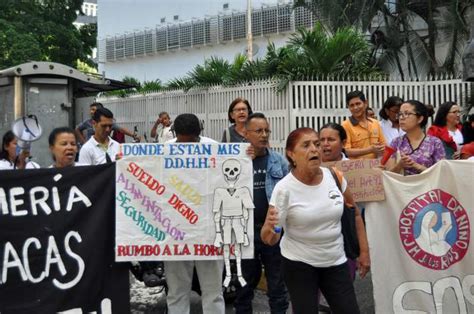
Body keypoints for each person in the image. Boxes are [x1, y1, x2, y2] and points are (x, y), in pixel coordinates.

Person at [260, 127, 370, 314]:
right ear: (291, 154)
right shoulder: (283, 189)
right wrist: (273, 227)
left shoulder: (334, 176)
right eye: (306, 145)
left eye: (317, 144)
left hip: (335, 261)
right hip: (299, 265)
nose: (314, 149)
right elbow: (270, 238)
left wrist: (364, 252)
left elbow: (355, 214)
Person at [163, 113, 225, 314]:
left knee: (213, 290)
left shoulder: (215, 149)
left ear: (199, 135)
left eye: (192, 143)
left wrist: (247, 155)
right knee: (177, 290)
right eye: (183, 143)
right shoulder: (165, 150)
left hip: (208, 231)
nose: (187, 148)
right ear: (174, 134)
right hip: (176, 231)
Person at [234, 112, 289, 314]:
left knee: (277, 285)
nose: (264, 135)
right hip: (244, 234)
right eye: (259, 131)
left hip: (273, 232)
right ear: (246, 134)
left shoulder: (278, 162)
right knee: (244, 286)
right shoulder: (235, 161)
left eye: (267, 130)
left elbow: (289, 194)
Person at [386, 100, 445, 175]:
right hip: (402, 186)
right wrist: (400, 165)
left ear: (420, 119)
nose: (401, 118)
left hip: (427, 186)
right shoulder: (396, 142)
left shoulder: (435, 143)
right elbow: (388, 175)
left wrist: (416, 166)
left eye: (407, 113)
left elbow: (441, 173)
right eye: (400, 114)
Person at [342, 91, 386, 159]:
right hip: (356, 168)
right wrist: (370, 150)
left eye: (358, 104)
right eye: (352, 105)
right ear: (348, 107)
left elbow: (384, 144)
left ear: (365, 103)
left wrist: (382, 148)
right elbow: (346, 151)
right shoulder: (345, 125)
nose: (355, 108)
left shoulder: (375, 123)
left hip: (375, 167)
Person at [75, 102, 140, 145]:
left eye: (93, 109)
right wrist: (83, 142)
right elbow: (77, 129)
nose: (91, 112)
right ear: (94, 123)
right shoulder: (87, 122)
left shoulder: (108, 122)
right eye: (90, 110)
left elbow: (121, 129)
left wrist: (133, 135)